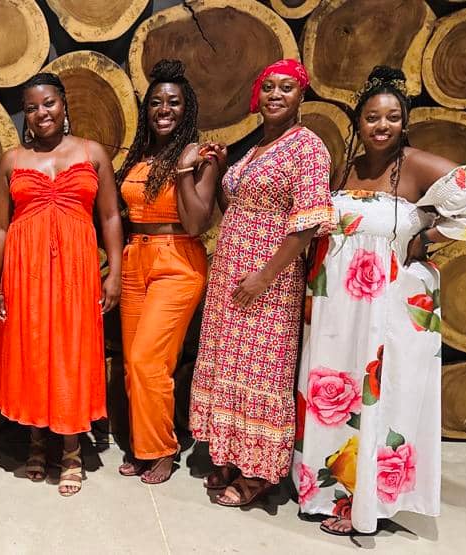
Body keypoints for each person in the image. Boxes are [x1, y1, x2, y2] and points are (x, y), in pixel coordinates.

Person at [293, 66, 466, 536]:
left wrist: (428, 236)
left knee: (381, 395)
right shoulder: (347, 167)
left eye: (392, 117)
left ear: (404, 121)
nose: (382, 125)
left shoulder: (417, 166)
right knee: (336, 395)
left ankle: (367, 503)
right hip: (337, 308)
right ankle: (330, 492)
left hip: (388, 308)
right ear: (358, 122)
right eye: (372, 116)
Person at [190, 59, 336, 506]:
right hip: (232, 272)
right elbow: (236, 206)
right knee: (231, 364)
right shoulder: (258, 147)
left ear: (302, 95)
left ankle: (258, 473)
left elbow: (307, 223)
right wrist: (220, 169)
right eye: (269, 87)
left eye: (286, 88)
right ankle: (230, 454)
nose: (276, 95)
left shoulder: (308, 147)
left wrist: (264, 277)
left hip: (270, 278)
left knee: (263, 371)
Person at [0, 72, 123, 497]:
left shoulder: (92, 152)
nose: (41, 112)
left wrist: (115, 271)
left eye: (48, 103)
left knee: (71, 352)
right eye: (31, 107)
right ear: (24, 115)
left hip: (76, 272)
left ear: (64, 105)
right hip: (24, 270)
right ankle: (36, 440)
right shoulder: (12, 159)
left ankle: (71, 450)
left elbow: (110, 217)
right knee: (31, 349)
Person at [114, 59, 222, 484]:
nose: (164, 109)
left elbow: (195, 222)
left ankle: (162, 449)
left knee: (149, 359)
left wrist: (183, 171)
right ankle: (144, 446)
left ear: (186, 108)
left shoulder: (201, 157)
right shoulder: (140, 156)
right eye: (156, 101)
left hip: (177, 260)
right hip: (135, 258)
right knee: (133, 363)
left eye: (174, 102)